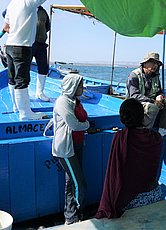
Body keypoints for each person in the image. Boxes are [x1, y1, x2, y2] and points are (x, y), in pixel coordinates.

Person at [4, 0, 66, 120]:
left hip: (9, 46)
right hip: (22, 47)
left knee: (12, 79)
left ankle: (16, 107)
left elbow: (6, 27)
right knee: (22, 80)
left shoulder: (12, 3)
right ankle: (25, 114)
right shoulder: (30, 0)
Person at [95, 98, 163, 219]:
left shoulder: (120, 137)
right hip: (154, 195)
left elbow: (114, 172)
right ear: (143, 118)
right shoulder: (157, 137)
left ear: (122, 120)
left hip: (130, 200)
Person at [51, 74, 90, 225]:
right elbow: (74, 124)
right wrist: (87, 125)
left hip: (77, 145)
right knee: (80, 183)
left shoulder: (75, 100)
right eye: (80, 85)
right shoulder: (63, 102)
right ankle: (79, 212)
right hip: (66, 149)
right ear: (72, 87)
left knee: (70, 183)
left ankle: (70, 217)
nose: (83, 88)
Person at [0, 6, 51, 102]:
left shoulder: (43, 11)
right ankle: (21, 96)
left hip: (41, 44)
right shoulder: (24, 6)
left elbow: (47, 27)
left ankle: (40, 92)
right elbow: (5, 15)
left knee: (43, 67)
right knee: (23, 69)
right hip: (27, 44)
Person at [125, 52, 166, 136]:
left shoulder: (155, 76)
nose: (155, 65)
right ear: (145, 63)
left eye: (157, 63)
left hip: (150, 101)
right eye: (153, 62)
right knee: (153, 108)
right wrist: (153, 101)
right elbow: (134, 96)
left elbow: (160, 91)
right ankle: (143, 133)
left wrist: (160, 96)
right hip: (135, 104)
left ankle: (164, 129)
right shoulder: (134, 75)